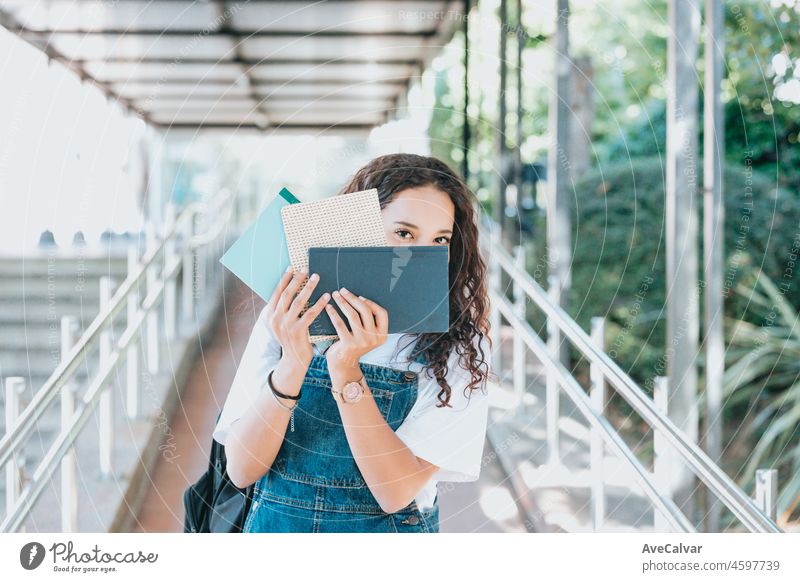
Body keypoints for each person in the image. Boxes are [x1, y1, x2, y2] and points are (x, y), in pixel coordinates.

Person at [213, 153, 494, 533]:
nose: (418, 255)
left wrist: (346, 371)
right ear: (358, 229)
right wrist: (293, 363)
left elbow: (394, 492)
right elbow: (242, 470)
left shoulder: (460, 345)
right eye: (404, 233)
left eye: (439, 240)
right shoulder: (291, 316)